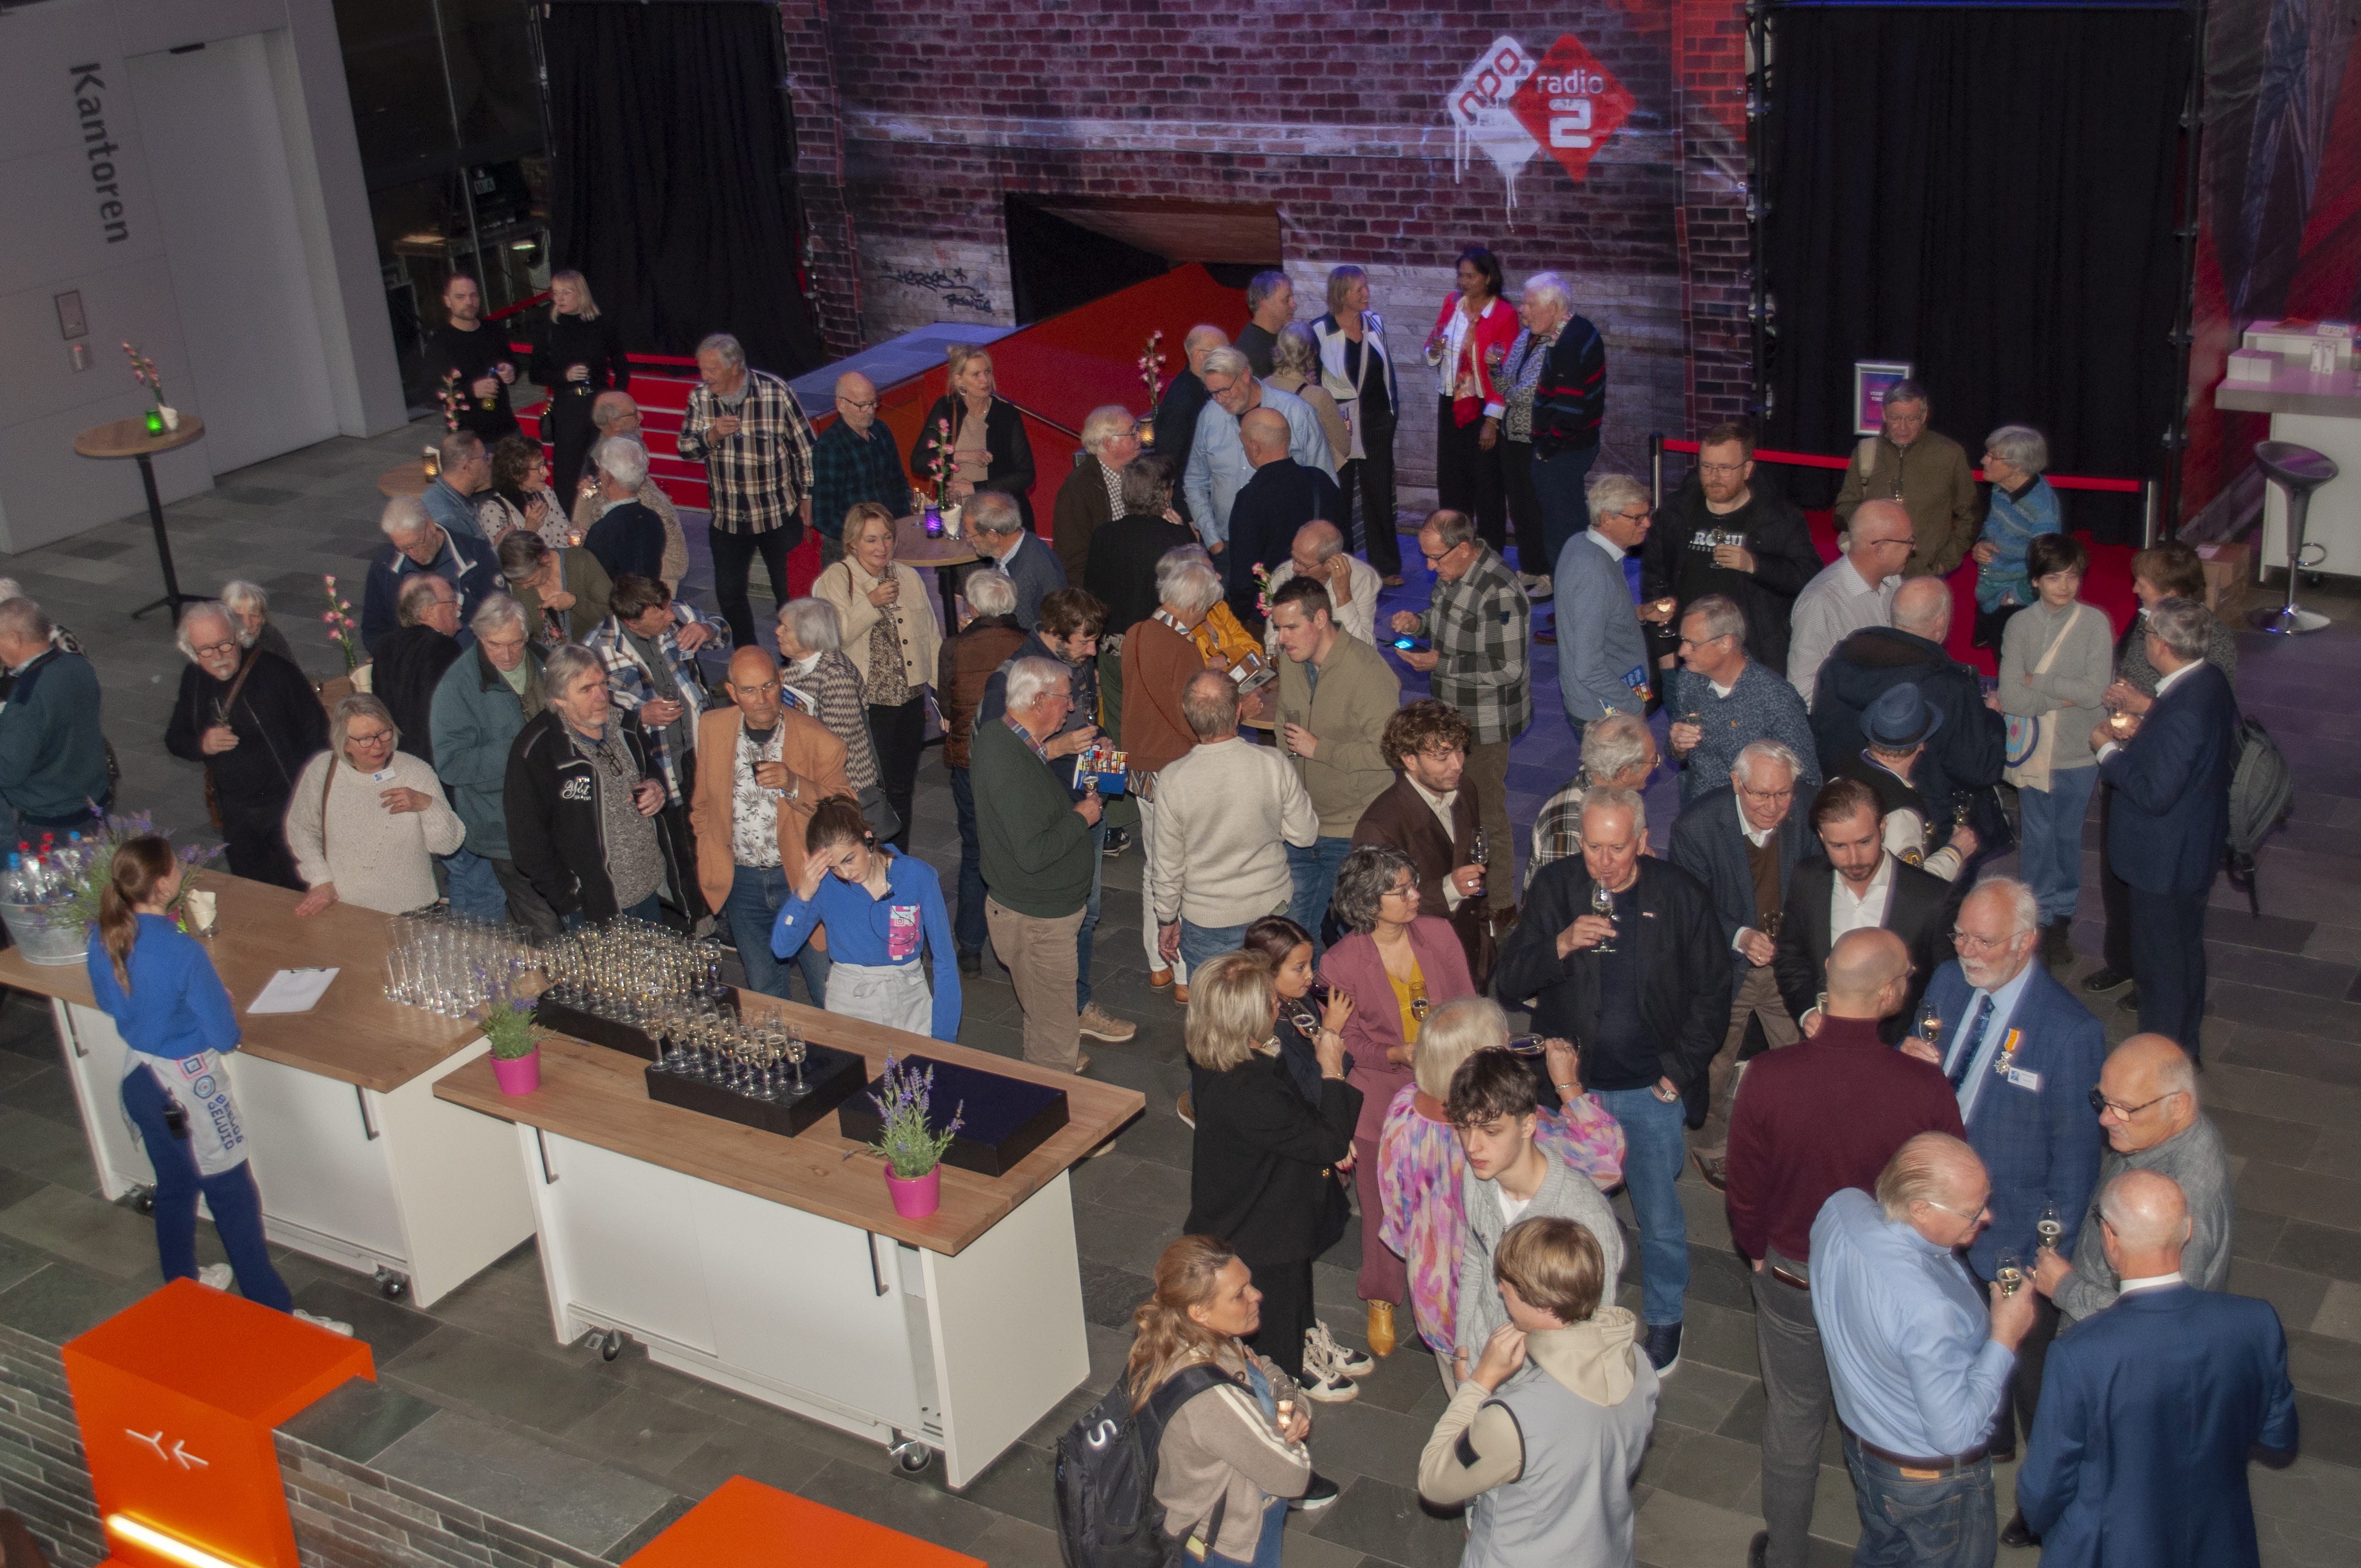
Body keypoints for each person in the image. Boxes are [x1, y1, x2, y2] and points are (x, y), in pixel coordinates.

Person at [1726, 928, 1966, 1568]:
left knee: (1794, 1415)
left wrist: (1756, 1249)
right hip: (1884, 1289)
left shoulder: (1768, 1075)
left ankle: (1784, 1553)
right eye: (1906, 976)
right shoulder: (1921, 1087)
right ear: (1887, 993)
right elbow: (1946, 1190)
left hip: (1793, 1275)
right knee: (1887, 1418)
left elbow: (1744, 1185)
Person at [1494, 785, 1727, 1375]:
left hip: (1648, 1090)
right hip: (1571, 1092)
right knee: (1567, 1215)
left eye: (1616, 849)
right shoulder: (1556, 887)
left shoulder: (1680, 895)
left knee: (1660, 1218)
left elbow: (1712, 996)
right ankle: (1578, 1317)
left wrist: (1675, 1077)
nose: (1602, 862)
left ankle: (1667, 1317)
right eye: (1592, 848)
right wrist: (1560, 943)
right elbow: (1509, 979)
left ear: (1643, 841)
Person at [1906, 876, 2104, 1472]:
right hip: (1944, 1217)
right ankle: (1986, 1441)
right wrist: (1907, 1069)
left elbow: (2076, 1163)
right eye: (1960, 935)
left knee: (2032, 1377)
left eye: (1984, 941)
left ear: (2025, 942)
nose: (1967, 951)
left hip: (2015, 1235)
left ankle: (2046, 1489)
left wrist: (2046, 1254)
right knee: (1965, 1348)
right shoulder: (1948, 982)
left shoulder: (2068, 1031)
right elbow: (1918, 1071)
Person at [2015, 1171, 2297, 1568]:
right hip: (2219, 1542)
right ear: (2189, 1230)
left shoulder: (2079, 1353)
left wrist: (2047, 1527)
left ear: (2109, 1238)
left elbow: (2044, 1487)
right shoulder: (2255, 1322)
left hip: (2112, 1551)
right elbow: (2280, 1436)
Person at [86, 838, 311, 1323]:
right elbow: (225, 1036)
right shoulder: (180, 948)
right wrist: (209, 1002)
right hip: (190, 1089)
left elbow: (111, 1002)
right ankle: (277, 1314)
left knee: (176, 1184)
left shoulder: (105, 936)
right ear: (163, 884)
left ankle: (182, 1284)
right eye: (177, 866)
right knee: (234, 1198)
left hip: (141, 1080)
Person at [1811, 1133, 2037, 1568]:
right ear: (1920, 1209)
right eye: (1973, 1211)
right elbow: (1954, 1434)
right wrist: (2005, 1337)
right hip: (1931, 1482)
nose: (1987, 1216)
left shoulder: (1841, 1207)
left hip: (1864, 1446)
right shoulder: (1927, 1310)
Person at [1378, 997, 1624, 1374]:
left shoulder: (1402, 1109)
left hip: (1437, 1299)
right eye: (1501, 1042)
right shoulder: (1512, 1132)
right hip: (1519, 1322)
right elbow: (1606, 1163)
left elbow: (1397, 1217)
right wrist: (1569, 1086)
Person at [1417, 1216, 1657, 1566]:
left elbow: (1435, 1482)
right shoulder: (1638, 1364)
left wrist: (1480, 1382)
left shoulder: (1512, 1419)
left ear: (1544, 1305)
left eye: (1507, 1285)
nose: (1500, 1291)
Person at [1179, 949, 1362, 1395]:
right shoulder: (1248, 1089)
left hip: (1270, 1197)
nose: (1278, 1004)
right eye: (1269, 1001)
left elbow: (1296, 1122)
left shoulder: (1228, 1057)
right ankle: (1286, 1377)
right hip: (1260, 1224)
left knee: (1296, 1284)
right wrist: (1331, 1070)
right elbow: (1326, 1142)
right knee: (1271, 1307)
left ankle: (1305, 1336)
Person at [1320, 845, 1477, 1357]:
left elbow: (1468, 1005)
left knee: (1453, 1199)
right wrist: (1395, 1053)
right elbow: (1345, 1043)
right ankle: (1382, 1296)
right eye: (1401, 891)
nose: (1415, 896)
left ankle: (1457, 1293)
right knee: (1381, 1204)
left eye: (1413, 886)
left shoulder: (1439, 935)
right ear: (1369, 904)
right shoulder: (1340, 963)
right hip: (1380, 1098)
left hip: (1447, 1090)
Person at [979, 589, 1133, 1045]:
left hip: (1085, 801)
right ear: (1053, 633)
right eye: (1085, 641)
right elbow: (1001, 756)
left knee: (1088, 911)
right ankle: (1065, 1014)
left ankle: (1072, 1008)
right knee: (1064, 920)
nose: (1093, 651)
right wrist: (1060, 747)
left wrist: (1100, 744)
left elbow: (1083, 719)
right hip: (1050, 821)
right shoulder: (1012, 680)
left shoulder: (1074, 665)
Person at [2087, 544, 2239, 1001]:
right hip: (2132, 762)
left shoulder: (2209, 640)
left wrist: (2141, 709)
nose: (2134, 587)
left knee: (2161, 915)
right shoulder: (2146, 621)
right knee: (2118, 879)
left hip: (2161, 790)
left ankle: (2152, 983)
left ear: (2172, 592)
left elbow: (2203, 716)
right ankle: (2124, 962)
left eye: (2144, 581)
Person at [1128, 1235, 1324, 1564]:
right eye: (1239, 1294)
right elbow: (1293, 1475)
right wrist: (1289, 1427)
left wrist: (1292, 1403)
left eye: (1250, 1284)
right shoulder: (1211, 1398)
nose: (1257, 1295)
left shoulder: (1185, 1339)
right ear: (1200, 1312)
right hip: (1229, 1544)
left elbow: (1262, 1367)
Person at [1668, 740, 1809, 1188]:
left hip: (1786, 965)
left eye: (1783, 794)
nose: (1773, 806)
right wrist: (1740, 936)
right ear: (1735, 783)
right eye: (1761, 794)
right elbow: (1689, 907)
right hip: (1725, 969)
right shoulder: (1697, 827)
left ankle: (1791, 1136)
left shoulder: (1805, 812)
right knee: (1716, 1062)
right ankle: (1709, 1140)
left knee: (1800, 1057)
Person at [1447, 1048, 1629, 1378]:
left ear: (1528, 1125)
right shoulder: (1478, 1178)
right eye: (1464, 1128)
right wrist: (1464, 1352)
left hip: (1544, 1384)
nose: (1472, 1146)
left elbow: (1597, 1326)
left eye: (1491, 1131)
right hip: (1481, 1367)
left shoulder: (1584, 1216)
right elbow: (1476, 1259)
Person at [1389, 510, 1530, 926]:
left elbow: (1508, 668)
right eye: (1426, 557)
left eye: (1436, 558)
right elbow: (1445, 621)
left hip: (1486, 723)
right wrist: (1418, 623)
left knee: (1486, 811)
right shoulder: (1455, 573)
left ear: (1464, 548)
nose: (1430, 567)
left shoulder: (1500, 590)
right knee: (1457, 807)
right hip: (1453, 714)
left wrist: (1441, 664)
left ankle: (1502, 906)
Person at [2033, 1033, 2232, 1322]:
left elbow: (2161, 1319)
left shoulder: (2182, 1204)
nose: (2105, 1119)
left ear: (2178, 1106)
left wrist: (2066, 1288)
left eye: (2125, 1108)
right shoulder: (2159, 1134)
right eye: (2103, 1100)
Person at [688, 645, 845, 1006]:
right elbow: (702, 805)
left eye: (769, 686)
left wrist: (794, 784)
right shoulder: (713, 727)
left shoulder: (817, 738)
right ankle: (778, 1045)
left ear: (781, 680)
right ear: (732, 692)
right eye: (749, 690)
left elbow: (844, 808)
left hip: (800, 881)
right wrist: (708, 851)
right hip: (741, 883)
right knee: (764, 991)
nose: (762, 699)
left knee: (827, 990)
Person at [974, 657, 1102, 1072]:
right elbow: (1033, 853)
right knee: (1056, 1034)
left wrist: (1073, 754)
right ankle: (1057, 1098)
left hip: (1032, 912)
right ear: (1039, 700)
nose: (1071, 707)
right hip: (1037, 922)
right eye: (1066, 698)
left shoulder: (1002, 737)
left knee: (1044, 1017)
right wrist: (1081, 817)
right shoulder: (1009, 763)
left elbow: (1026, 780)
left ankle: (1042, 1071)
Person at [1992, 532, 2111, 961]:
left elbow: (2095, 692)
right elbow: (2012, 698)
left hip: (2079, 751)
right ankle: (2036, 917)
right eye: (2054, 577)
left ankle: (2061, 916)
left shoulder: (2094, 623)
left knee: (2066, 837)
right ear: (2035, 581)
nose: (2065, 585)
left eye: (2073, 576)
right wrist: (2062, 696)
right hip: (2033, 752)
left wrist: (2037, 682)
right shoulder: (2020, 625)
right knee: (2036, 838)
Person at [1812, 575, 2005, 841]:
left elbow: (1821, 733)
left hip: (1849, 812)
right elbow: (1977, 771)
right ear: (1941, 621)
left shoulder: (1841, 662)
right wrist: (1992, 719)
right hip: (1924, 823)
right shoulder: (1949, 686)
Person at [1152, 671, 1318, 975]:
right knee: (1272, 999)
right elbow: (1305, 835)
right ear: (1239, 710)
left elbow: (1167, 864)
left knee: (1214, 1004)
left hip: (1208, 920)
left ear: (1188, 714)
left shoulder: (1173, 779)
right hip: (1273, 910)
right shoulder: (1273, 762)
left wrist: (1166, 918)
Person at [504, 644, 678, 926]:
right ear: (559, 698)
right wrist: (571, 898)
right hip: (594, 906)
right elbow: (528, 843)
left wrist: (657, 788)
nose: (601, 696)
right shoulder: (537, 751)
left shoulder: (625, 725)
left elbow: (652, 770)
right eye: (586, 689)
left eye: (603, 684)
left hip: (650, 890)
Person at [1773, 778, 1956, 1045]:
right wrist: (1807, 1013)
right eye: (1839, 846)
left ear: (1883, 827)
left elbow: (1947, 985)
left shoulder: (1932, 897)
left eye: (1864, 842)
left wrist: (1918, 1040)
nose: (1854, 859)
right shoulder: (1807, 879)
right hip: (1823, 1046)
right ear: (1822, 837)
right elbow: (1791, 958)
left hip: (1897, 1051)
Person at [1267, 576, 1398, 949]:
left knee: (1345, 938)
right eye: (1278, 628)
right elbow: (1283, 726)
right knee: (1293, 932)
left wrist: (1320, 750)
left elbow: (1390, 752)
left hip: (1351, 829)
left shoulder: (1366, 671)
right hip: (1301, 823)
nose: (1282, 638)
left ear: (1321, 619)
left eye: (1291, 627)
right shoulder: (1292, 661)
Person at [164, 600, 324, 890]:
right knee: (255, 893)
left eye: (225, 644)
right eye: (206, 650)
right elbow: (175, 739)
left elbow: (319, 735)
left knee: (304, 889)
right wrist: (203, 744)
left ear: (238, 635)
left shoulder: (276, 673)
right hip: (238, 816)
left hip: (288, 806)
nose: (218, 656)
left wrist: (316, 800)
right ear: (192, 651)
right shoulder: (194, 679)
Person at [1639, 422, 1821, 676]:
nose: (1714, 477)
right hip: (1687, 656)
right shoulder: (1677, 512)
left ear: (1747, 469)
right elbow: (1654, 579)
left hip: (1753, 658)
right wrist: (1665, 650)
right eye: (1706, 467)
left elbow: (1809, 578)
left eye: (1725, 468)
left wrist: (1755, 565)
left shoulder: (1778, 517)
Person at [772, 796, 958, 1040]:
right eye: (833, 867)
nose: (845, 873)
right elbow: (782, 949)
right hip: (849, 1006)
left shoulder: (917, 876)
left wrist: (944, 1038)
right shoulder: (825, 885)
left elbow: (945, 962)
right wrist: (803, 895)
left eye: (849, 859)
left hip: (910, 1004)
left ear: (868, 839)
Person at [816, 503, 942, 853]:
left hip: (910, 701)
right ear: (853, 542)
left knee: (902, 788)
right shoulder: (836, 579)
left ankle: (898, 860)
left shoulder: (909, 577)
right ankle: (868, 861)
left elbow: (931, 639)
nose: (882, 547)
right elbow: (832, 638)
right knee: (872, 792)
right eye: (871, 540)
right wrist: (870, 603)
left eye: (887, 537)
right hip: (868, 706)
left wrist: (942, 695)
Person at [677, 332, 816, 649]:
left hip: (777, 515)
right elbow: (685, 448)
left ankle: (793, 659)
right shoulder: (700, 398)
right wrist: (712, 435)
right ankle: (747, 657)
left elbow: (806, 450)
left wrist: (808, 496)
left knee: (789, 596)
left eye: (711, 369)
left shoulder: (776, 392)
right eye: (702, 369)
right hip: (728, 519)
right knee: (729, 595)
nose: (704, 376)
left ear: (736, 365)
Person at [1123, 551, 1220, 995]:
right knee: (1185, 872)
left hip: (1141, 772)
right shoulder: (1183, 648)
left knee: (1155, 869)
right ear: (1195, 604)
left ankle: (1156, 963)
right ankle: (1184, 975)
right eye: (1206, 609)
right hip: (1178, 773)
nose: (1205, 617)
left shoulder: (1136, 633)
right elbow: (1194, 719)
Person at [429, 595, 553, 931]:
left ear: (527, 636)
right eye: (495, 645)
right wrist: (521, 750)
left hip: (561, 816)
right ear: (479, 638)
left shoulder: (550, 664)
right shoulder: (458, 686)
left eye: (515, 643)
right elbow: (451, 764)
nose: (507, 655)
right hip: (505, 830)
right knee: (543, 923)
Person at [1351, 700, 1492, 986]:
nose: (1457, 765)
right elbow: (1376, 909)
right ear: (1409, 760)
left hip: (1470, 948)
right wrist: (1449, 889)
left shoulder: (1465, 789)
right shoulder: (1379, 827)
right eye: (1442, 758)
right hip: (1421, 964)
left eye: (1460, 750)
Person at [286, 694, 465, 916]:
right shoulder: (322, 770)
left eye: (383, 733)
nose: (378, 745)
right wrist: (320, 879)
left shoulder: (416, 772)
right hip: (347, 908)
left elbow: (448, 846)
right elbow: (301, 829)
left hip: (413, 912)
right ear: (345, 743)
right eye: (365, 739)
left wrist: (426, 804)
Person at [938, 571, 1027, 977]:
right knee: (1018, 847)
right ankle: (1020, 942)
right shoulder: (1028, 643)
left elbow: (946, 706)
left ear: (972, 606)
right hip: (1018, 763)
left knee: (974, 850)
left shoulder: (955, 647)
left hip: (969, 762)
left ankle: (971, 947)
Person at [582, 573, 723, 823]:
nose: (671, 617)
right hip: (657, 762)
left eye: (668, 608)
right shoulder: (596, 651)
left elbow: (723, 630)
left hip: (700, 747)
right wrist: (638, 716)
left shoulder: (677, 612)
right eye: (661, 616)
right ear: (631, 622)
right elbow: (586, 715)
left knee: (712, 821)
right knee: (676, 829)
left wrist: (708, 629)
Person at [1665, 595, 1821, 805]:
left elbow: (1807, 779)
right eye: (1683, 640)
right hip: (1702, 808)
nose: (1682, 651)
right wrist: (1678, 746)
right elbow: (1675, 751)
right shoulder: (1690, 679)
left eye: (1693, 644)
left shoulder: (1775, 697)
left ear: (1725, 643)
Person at [1183, 347, 1338, 553]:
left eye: (1224, 390)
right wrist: (1213, 541)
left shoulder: (1297, 413)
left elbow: (1325, 483)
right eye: (1213, 393)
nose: (1220, 399)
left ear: (1245, 375)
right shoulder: (1210, 416)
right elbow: (1195, 482)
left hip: (1290, 549)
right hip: (1228, 547)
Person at [1424, 246, 1520, 556]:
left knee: (1487, 486)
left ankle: (1490, 558)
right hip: (1451, 401)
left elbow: (1507, 372)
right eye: (1461, 276)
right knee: (1452, 481)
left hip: (1483, 406)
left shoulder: (1504, 314)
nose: (1463, 282)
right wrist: (1435, 350)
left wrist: (1492, 420)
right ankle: (1454, 552)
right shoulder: (1451, 303)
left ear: (1488, 278)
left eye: (1470, 276)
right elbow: (1432, 347)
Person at [1832, 379, 1977, 580]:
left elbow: (1970, 515)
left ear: (1924, 416)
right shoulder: (1866, 452)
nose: (1903, 427)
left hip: (1925, 574)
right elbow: (1842, 510)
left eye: (1911, 419)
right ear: (1884, 415)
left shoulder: (1950, 454)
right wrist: (1872, 515)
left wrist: (1946, 561)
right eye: (1895, 418)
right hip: (1873, 571)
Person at [1835, 684, 1982, 881]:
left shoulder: (1844, 767)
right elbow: (1911, 885)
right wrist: (1957, 851)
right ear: (1921, 745)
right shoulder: (1900, 814)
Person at [1519, 271, 1610, 580]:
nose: (1523, 310)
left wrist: (1546, 448)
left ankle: (1570, 592)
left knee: (1563, 530)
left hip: (1564, 451)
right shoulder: (1579, 329)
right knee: (1568, 523)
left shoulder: (1570, 343)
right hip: (1573, 445)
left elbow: (1570, 410)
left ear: (1554, 307)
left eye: (1530, 304)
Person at [1313, 267, 1401, 582]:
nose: (1366, 294)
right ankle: (1343, 566)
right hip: (1341, 425)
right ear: (1341, 294)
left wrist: (1392, 412)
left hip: (1377, 421)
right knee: (1340, 498)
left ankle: (1385, 567)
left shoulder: (1374, 322)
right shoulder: (1319, 331)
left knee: (1380, 493)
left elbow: (1386, 370)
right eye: (1359, 290)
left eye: (1366, 287)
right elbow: (1315, 381)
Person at [1223, 409, 1343, 625]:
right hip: (1324, 605)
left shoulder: (1250, 499)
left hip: (1276, 616)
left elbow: (1243, 578)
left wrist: (1242, 617)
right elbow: (1343, 543)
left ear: (1255, 447)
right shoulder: (1320, 481)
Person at [0, 597, 106, 840]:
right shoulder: (78, 665)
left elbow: (8, 770)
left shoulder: (28, 698)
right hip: (91, 798)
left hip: (51, 819)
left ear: (16, 638)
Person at [1553, 472, 1653, 726]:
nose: (1647, 523)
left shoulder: (1579, 542)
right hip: (1606, 707)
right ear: (1607, 518)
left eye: (1648, 514)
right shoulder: (1595, 570)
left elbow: (1594, 614)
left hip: (1614, 692)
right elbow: (1588, 668)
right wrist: (1634, 707)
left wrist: (1639, 613)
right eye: (1637, 517)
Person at [1786, 497, 1910, 699]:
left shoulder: (1893, 581)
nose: (1914, 548)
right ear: (1881, 549)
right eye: (1908, 542)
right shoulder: (1821, 602)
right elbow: (1803, 689)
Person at [774, 597, 885, 818]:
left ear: (809, 635)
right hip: (810, 775)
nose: (778, 632)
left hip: (842, 784)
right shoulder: (796, 667)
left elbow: (835, 743)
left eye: (786, 628)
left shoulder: (837, 677)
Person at [568, 392, 688, 591]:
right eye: (633, 413)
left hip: (644, 583)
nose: (641, 417)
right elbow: (586, 530)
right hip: (633, 586)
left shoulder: (627, 454)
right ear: (614, 423)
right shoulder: (597, 470)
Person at [529, 268, 629, 504]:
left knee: (603, 466)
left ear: (581, 293)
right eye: (555, 293)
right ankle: (568, 518)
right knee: (567, 473)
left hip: (598, 404)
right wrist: (564, 376)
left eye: (566, 292)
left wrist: (614, 401)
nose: (559, 298)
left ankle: (605, 513)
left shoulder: (602, 325)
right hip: (567, 406)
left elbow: (622, 368)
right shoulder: (549, 328)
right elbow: (535, 373)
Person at [911, 344, 1037, 530]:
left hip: (998, 517)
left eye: (987, 372)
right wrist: (961, 456)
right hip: (956, 518)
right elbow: (918, 462)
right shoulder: (946, 408)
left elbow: (1026, 475)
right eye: (976, 374)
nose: (985, 380)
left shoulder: (1006, 414)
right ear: (959, 380)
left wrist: (975, 488)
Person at [1527, 714, 1656, 890]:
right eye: (1653, 760)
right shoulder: (1568, 827)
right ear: (1624, 773)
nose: (1655, 766)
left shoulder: (1618, 798)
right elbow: (1564, 895)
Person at [362, 496, 498, 656]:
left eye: (415, 544)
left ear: (431, 527)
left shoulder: (477, 555)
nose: (412, 553)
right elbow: (374, 629)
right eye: (403, 548)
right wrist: (396, 658)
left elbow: (499, 616)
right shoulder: (385, 568)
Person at [807, 372, 913, 573]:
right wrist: (864, 539)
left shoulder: (881, 431)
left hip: (887, 545)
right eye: (863, 405)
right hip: (847, 552)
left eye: (874, 403)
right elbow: (823, 516)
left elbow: (899, 482)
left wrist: (896, 527)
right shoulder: (830, 446)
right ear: (841, 405)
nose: (871, 410)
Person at [1968, 424, 2061, 649]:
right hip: (1990, 590)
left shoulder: (2042, 512)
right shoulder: (2001, 487)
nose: (1983, 460)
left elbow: (2047, 568)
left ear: (2017, 467)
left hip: (2013, 604)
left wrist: (2012, 598)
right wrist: (1981, 543)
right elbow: (1991, 525)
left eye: (1993, 457)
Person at [1084, 454, 1196, 634]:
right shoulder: (1179, 538)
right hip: (1159, 639)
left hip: (1114, 639)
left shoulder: (1103, 534)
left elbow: (1091, 592)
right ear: (1164, 493)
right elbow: (1196, 591)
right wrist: (1183, 533)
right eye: (1172, 486)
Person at [371, 574, 465, 765]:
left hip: (397, 759)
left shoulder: (384, 647)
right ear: (429, 611)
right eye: (451, 601)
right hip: (435, 760)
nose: (459, 607)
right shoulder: (444, 648)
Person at [1257, 520, 1381, 652]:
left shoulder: (1363, 579)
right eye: (1294, 558)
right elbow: (1273, 641)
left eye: (1303, 564)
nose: (1294, 568)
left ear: (1329, 564)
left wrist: (1344, 596)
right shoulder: (1281, 576)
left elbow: (1361, 649)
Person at [1053, 405, 1144, 585]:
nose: (1140, 437)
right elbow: (1073, 562)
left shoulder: (1140, 471)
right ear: (1109, 444)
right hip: (1107, 586)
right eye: (1132, 432)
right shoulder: (1078, 490)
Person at [424, 273, 519, 442]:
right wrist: (471, 391)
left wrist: (511, 371)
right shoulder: (440, 342)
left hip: (506, 428)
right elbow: (431, 391)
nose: (469, 302)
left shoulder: (493, 330)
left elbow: (513, 363)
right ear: (447, 301)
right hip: (468, 438)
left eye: (474, 295)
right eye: (461, 297)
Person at [1154, 325, 1229, 531]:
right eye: (1222, 352)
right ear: (1198, 356)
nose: (1228, 359)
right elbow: (1169, 461)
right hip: (1193, 510)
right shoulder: (1183, 400)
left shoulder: (1203, 388)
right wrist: (1188, 516)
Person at [966, 489, 1065, 630]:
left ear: (993, 536)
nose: (968, 540)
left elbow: (1021, 634)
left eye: (971, 534)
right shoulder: (1014, 548)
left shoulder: (1028, 572)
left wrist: (978, 629)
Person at [497, 529, 613, 647]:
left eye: (530, 581)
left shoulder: (581, 561)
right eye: (518, 582)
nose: (524, 587)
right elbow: (527, 632)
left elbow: (612, 613)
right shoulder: (521, 577)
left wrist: (575, 603)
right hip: (549, 656)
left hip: (596, 648)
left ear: (546, 561)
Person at [581, 438, 670, 584]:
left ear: (609, 478)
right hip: (647, 596)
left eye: (600, 469)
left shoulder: (604, 530)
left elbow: (590, 583)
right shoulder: (652, 519)